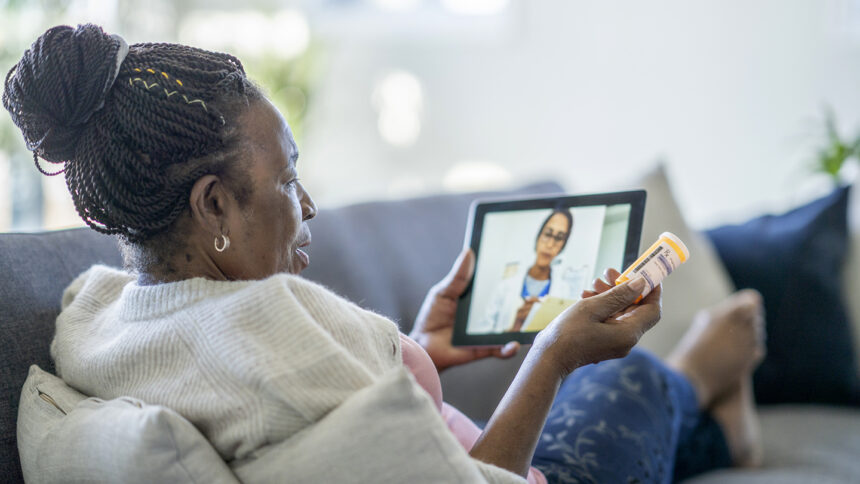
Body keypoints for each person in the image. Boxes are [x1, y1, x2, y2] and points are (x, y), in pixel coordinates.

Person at [4, 24, 766, 483]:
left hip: (454, 434)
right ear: (212, 206)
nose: (307, 207)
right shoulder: (271, 331)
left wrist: (422, 351)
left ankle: (722, 428)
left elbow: (348, 412)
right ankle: (702, 377)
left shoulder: (100, 315)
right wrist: (555, 357)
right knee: (636, 375)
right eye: (287, 178)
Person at [473, 208, 581, 334]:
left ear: (563, 246)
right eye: (547, 234)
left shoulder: (565, 291)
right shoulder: (506, 286)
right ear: (538, 237)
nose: (550, 244)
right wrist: (515, 326)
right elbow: (481, 334)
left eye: (559, 238)